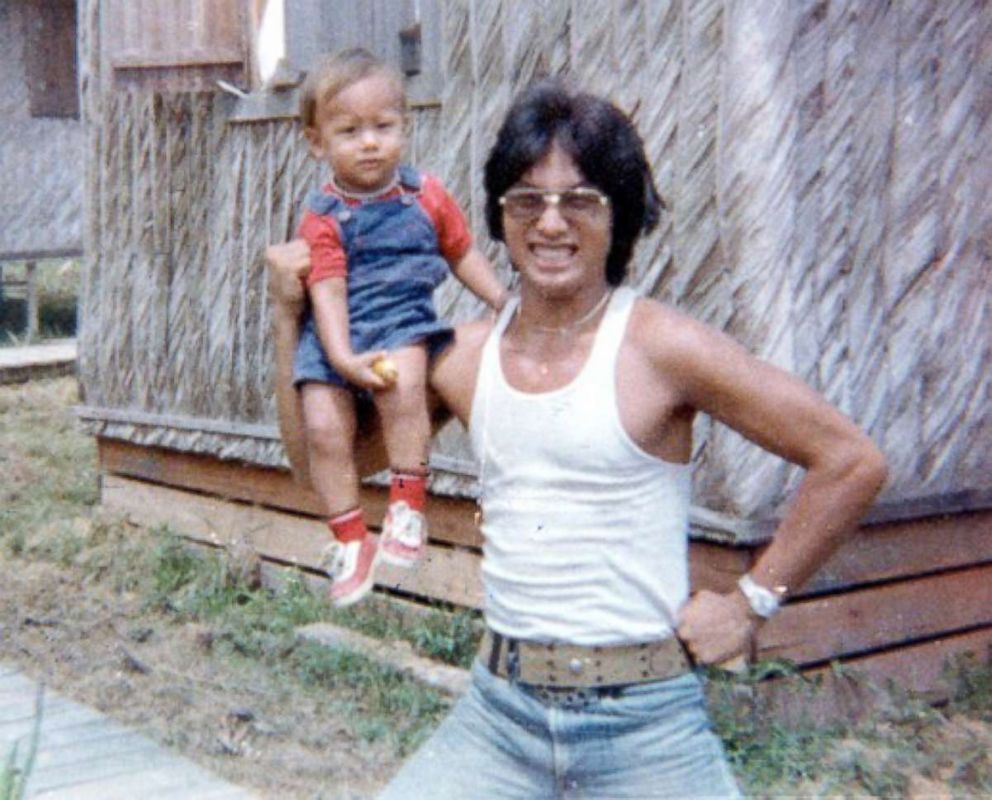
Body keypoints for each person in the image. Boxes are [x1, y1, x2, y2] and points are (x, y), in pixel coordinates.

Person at [267, 79, 887, 798]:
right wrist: (290, 320)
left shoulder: (661, 345)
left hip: (646, 723)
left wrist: (751, 602)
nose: (551, 224)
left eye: (581, 200)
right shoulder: (458, 357)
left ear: (619, 215)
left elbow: (851, 460)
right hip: (499, 716)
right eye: (527, 200)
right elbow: (316, 472)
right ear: (498, 217)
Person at [292, 49, 507, 607]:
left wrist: (503, 300)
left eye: (383, 127)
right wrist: (340, 360)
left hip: (400, 323)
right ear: (319, 143)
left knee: (402, 385)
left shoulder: (426, 196)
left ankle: (407, 505)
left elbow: (462, 254)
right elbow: (329, 292)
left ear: (404, 130)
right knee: (320, 426)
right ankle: (349, 540)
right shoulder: (323, 217)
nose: (369, 142)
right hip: (334, 335)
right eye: (350, 131)